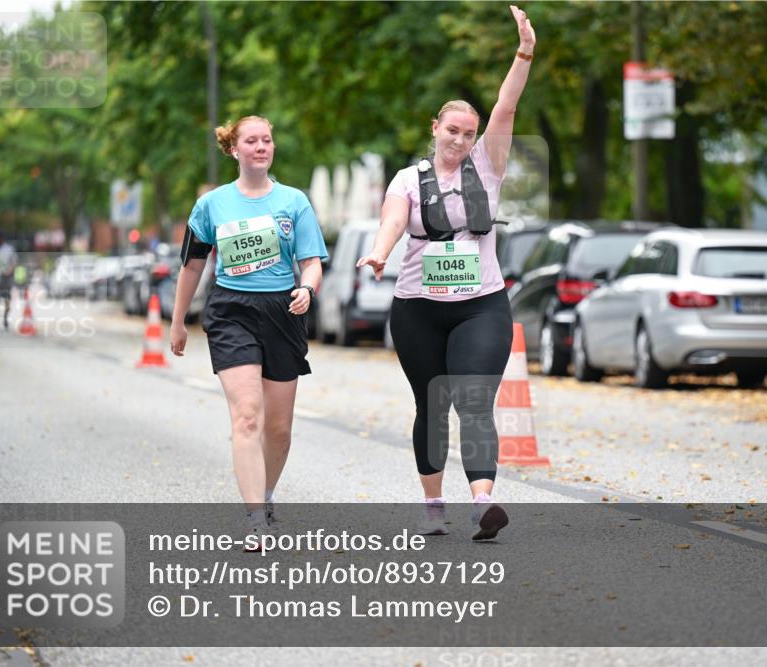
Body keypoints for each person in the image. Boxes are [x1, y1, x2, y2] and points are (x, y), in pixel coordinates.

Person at [357, 5, 536, 541]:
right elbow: (392, 219)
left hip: (481, 303)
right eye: (452, 130)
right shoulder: (408, 178)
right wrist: (379, 252)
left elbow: (506, 107)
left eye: (469, 133)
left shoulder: (488, 165)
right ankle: (433, 504)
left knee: (475, 400)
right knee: (432, 405)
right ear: (435, 128)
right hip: (418, 309)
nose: (460, 140)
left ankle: (483, 503)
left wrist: (524, 50)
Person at [169, 115, 328, 548]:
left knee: (278, 428)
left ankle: (268, 494)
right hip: (230, 309)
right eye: (252, 141)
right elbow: (193, 265)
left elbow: (312, 262)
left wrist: (307, 290)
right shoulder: (212, 205)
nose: (261, 147)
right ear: (234, 149)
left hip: (283, 309)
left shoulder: (294, 202)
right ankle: (255, 517)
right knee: (247, 416)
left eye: (267, 140)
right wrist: (178, 319)